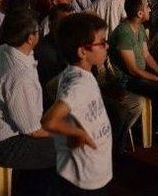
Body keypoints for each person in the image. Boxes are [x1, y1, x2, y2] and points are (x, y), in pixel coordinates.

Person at [0, 12, 56, 194]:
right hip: (2, 144)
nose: (40, 34)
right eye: (38, 31)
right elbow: (31, 130)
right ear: (30, 38)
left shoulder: (1, 50)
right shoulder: (20, 76)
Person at [42, 13, 112, 194]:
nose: (107, 46)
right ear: (82, 52)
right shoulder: (80, 84)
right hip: (85, 174)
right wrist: (79, 133)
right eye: (102, 42)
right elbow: (49, 120)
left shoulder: (73, 72)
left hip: (83, 167)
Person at [109, 0, 158, 138]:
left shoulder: (140, 27)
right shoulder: (124, 32)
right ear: (140, 13)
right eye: (147, 7)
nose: (150, 9)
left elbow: (146, 55)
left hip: (139, 74)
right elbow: (132, 69)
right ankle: (153, 130)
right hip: (126, 79)